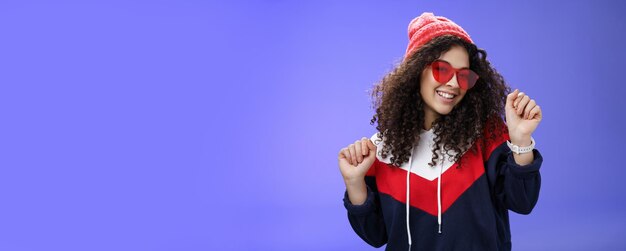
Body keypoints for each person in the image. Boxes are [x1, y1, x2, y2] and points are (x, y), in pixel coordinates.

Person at [338, 12, 543, 251]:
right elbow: (375, 235)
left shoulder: (486, 135)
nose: (455, 84)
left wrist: (520, 140)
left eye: (464, 75)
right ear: (416, 71)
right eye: (442, 70)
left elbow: (523, 202)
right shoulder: (382, 150)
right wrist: (354, 183)